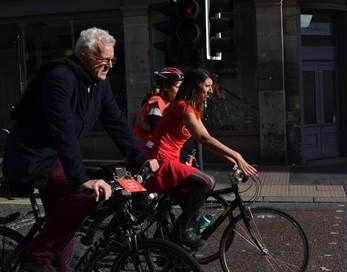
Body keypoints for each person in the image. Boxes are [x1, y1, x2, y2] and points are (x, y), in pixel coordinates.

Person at [2, 27, 159, 272]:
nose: (109, 65)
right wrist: (81, 180)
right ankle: (37, 254)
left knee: (67, 223)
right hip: (33, 156)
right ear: (84, 56)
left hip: (58, 157)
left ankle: (54, 261)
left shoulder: (99, 84)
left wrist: (141, 159)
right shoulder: (59, 78)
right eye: (103, 60)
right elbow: (62, 131)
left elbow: (116, 123)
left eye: (112, 60)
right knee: (85, 194)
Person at [145, 68, 258, 247]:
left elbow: (206, 139)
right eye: (207, 86)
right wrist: (237, 155)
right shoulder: (182, 106)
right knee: (206, 182)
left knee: (192, 207)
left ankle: (171, 251)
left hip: (171, 160)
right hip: (161, 161)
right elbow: (203, 138)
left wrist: (233, 161)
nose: (211, 91)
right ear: (195, 86)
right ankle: (179, 234)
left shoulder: (192, 109)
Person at [132, 67, 184, 151]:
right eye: (178, 87)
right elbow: (156, 131)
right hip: (144, 147)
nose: (181, 91)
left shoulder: (166, 101)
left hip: (150, 145)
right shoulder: (156, 103)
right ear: (166, 86)